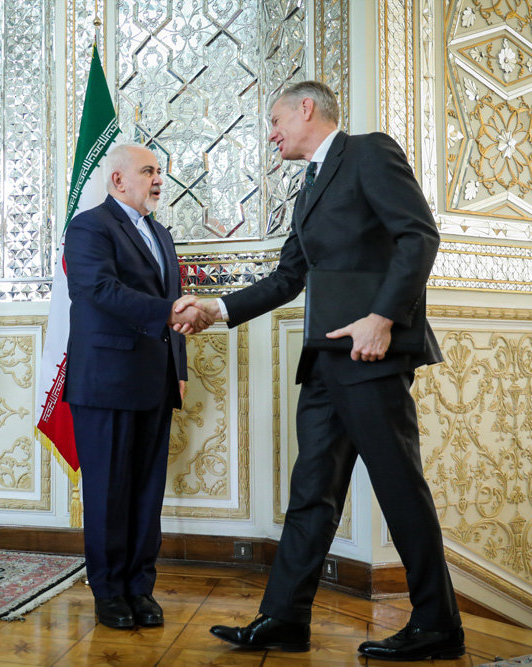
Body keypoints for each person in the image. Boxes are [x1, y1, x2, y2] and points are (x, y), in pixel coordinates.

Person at [189, 81, 463, 660]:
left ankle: (438, 625)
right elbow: (288, 278)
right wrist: (217, 309)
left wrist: (382, 318)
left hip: (371, 358)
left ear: (306, 109)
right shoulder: (307, 189)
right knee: (311, 491)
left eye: (275, 120)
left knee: (399, 489)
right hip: (323, 364)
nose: (271, 134)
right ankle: (284, 619)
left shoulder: (369, 152)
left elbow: (419, 235)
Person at [63, 143, 214, 629]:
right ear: (118, 179)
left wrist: (179, 368)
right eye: (149, 171)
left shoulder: (161, 233)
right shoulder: (88, 227)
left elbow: (172, 300)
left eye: (159, 171)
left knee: (148, 493)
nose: (158, 180)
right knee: (109, 492)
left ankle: (140, 588)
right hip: (105, 383)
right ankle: (109, 592)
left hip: (155, 380)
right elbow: (98, 290)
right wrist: (169, 312)